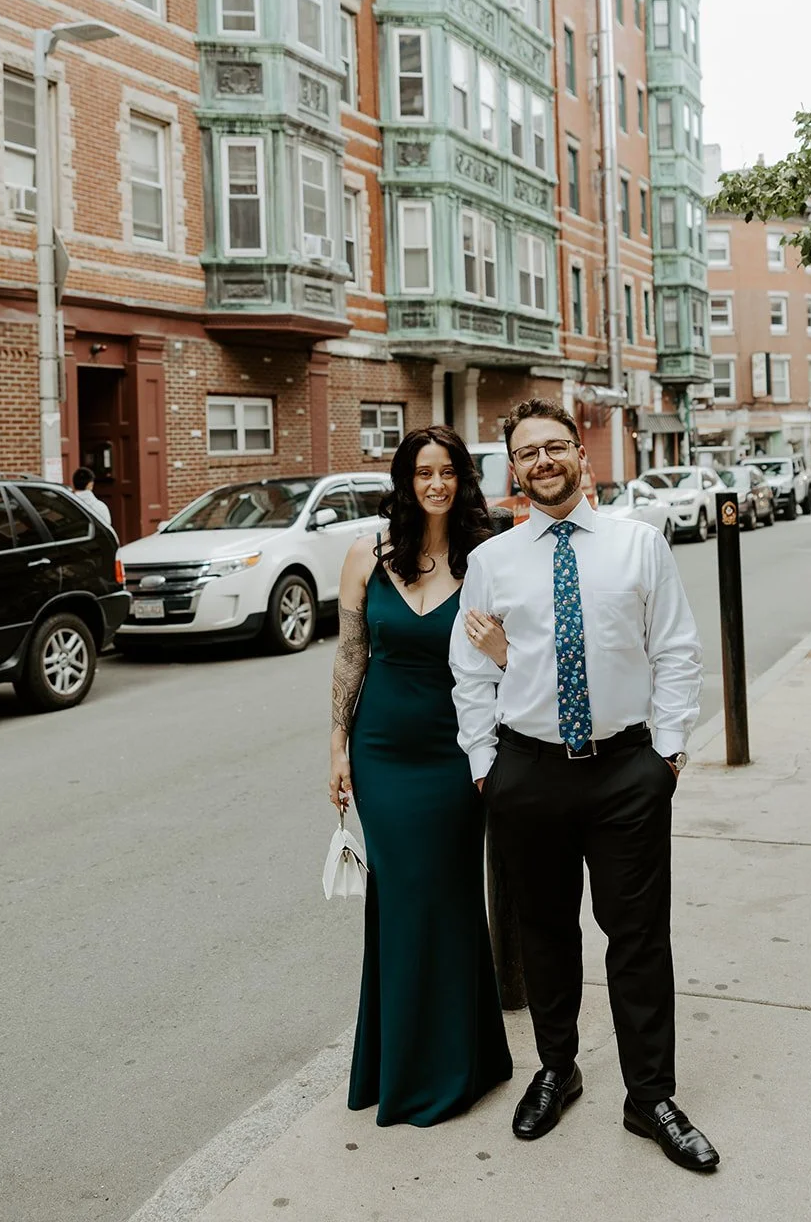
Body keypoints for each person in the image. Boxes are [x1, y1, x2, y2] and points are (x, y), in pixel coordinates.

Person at [450, 398, 719, 1173]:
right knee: (543, 936)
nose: (543, 461)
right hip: (527, 773)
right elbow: (469, 672)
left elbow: (676, 651)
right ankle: (556, 1069)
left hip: (625, 771)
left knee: (636, 940)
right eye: (527, 451)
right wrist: (483, 767)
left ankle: (650, 1098)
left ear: (581, 458)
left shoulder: (639, 545)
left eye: (555, 447)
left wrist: (665, 757)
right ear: (514, 471)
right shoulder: (493, 563)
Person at [329, 424, 513, 1126]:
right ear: (404, 481)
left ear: (461, 479)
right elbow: (351, 656)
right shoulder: (364, 555)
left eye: (446, 472)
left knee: (451, 896)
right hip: (382, 750)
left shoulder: (487, 559)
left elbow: (519, 656)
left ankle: (463, 1062)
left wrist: (501, 652)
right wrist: (338, 747)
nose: (433, 483)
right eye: (420, 472)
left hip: (458, 749)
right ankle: (399, 1063)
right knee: (401, 900)